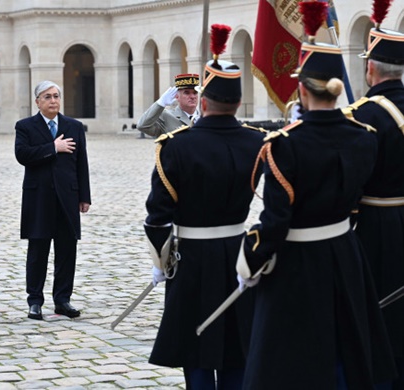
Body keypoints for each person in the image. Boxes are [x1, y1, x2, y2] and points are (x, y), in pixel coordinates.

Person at [236, 3, 396, 388]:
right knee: (346, 338)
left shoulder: (284, 145)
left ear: (302, 88)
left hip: (298, 260)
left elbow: (275, 220)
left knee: (294, 351)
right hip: (345, 252)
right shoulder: (363, 136)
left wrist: (250, 261)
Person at [144, 24, 264, 390]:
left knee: (196, 345)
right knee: (235, 342)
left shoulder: (175, 146)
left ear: (205, 102)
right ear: (238, 103)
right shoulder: (257, 143)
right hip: (238, 254)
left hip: (192, 258)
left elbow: (158, 217)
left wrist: (161, 264)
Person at [341, 8, 404, 388]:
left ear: (371, 70)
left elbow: (350, 185)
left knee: (380, 312)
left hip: (377, 227)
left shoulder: (363, 115)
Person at [14, 80, 91, 321]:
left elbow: (82, 163)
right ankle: (35, 301)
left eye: (56, 96)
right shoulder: (25, 126)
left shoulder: (74, 126)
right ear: (38, 101)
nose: (53, 101)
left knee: (67, 250)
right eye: (47, 97)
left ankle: (62, 299)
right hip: (39, 197)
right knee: (38, 251)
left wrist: (84, 196)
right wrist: (53, 147)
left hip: (67, 197)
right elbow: (22, 155)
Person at [136, 73, 200, 137]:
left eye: (195, 93)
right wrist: (161, 103)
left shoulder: (204, 117)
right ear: (177, 96)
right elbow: (142, 126)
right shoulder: (166, 116)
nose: (192, 96)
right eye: (187, 93)